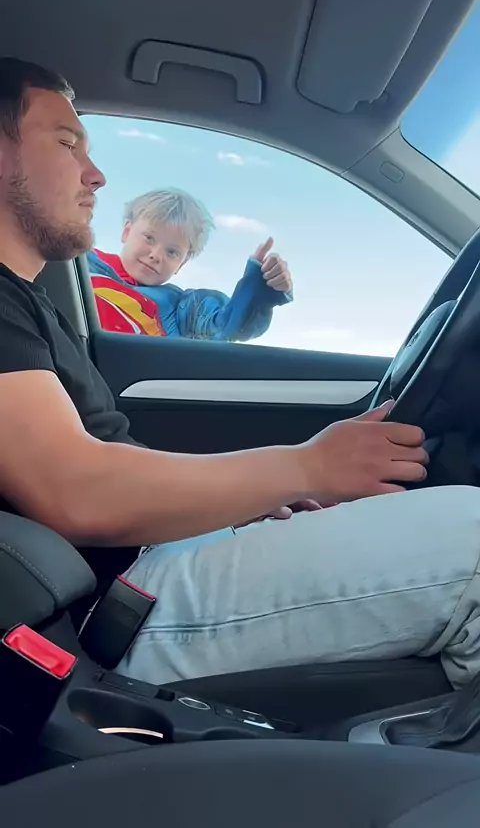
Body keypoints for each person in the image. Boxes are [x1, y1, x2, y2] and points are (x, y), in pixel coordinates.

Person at [0, 57, 480, 691]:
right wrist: (306, 466)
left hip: (144, 561)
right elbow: (75, 490)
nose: (97, 173)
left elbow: (112, 453)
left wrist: (247, 497)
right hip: (113, 609)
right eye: (67, 143)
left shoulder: (30, 306)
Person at [88, 188, 293, 340]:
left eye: (172, 252)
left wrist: (260, 285)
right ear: (126, 232)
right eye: (149, 238)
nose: (156, 255)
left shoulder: (183, 309)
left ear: (181, 263)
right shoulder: (82, 263)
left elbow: (229, 325)